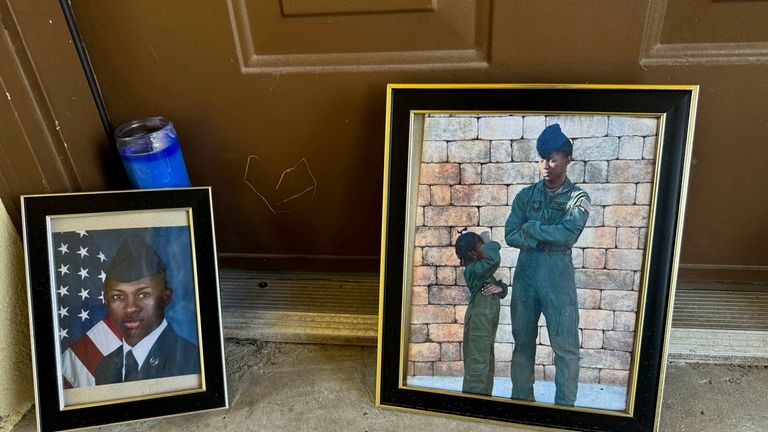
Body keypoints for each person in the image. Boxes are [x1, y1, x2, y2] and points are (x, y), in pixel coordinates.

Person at [504, 123, 591, 406]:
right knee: (522, 345)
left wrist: (533, 229)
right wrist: (542, 237)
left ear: (568, 159)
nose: (546, 165)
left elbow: (569, 234)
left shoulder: (578, 198)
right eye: (542, 159)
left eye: (553, 159)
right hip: (526, 277)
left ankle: (564, 410)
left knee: (565, 348)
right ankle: (521, 403)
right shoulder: (525, 196)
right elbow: (510, 234)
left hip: (558, 279)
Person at [95, 233, 200, 384]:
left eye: (143, 295)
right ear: (106, 301)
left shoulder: (191, 360)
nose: (131, 308)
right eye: (118, 297)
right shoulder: (105, 367)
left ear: (166, 297)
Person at [455, 230, 508, 396]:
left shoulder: (482, 270)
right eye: (482, 247)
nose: (485, 249)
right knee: (477, 365)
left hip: (486, 321)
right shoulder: (472, 269)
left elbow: (497, 288)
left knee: (487, 363)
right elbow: (494, 259)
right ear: (473, 253)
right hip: (479, 321)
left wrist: (500, 289)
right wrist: (489, 241)